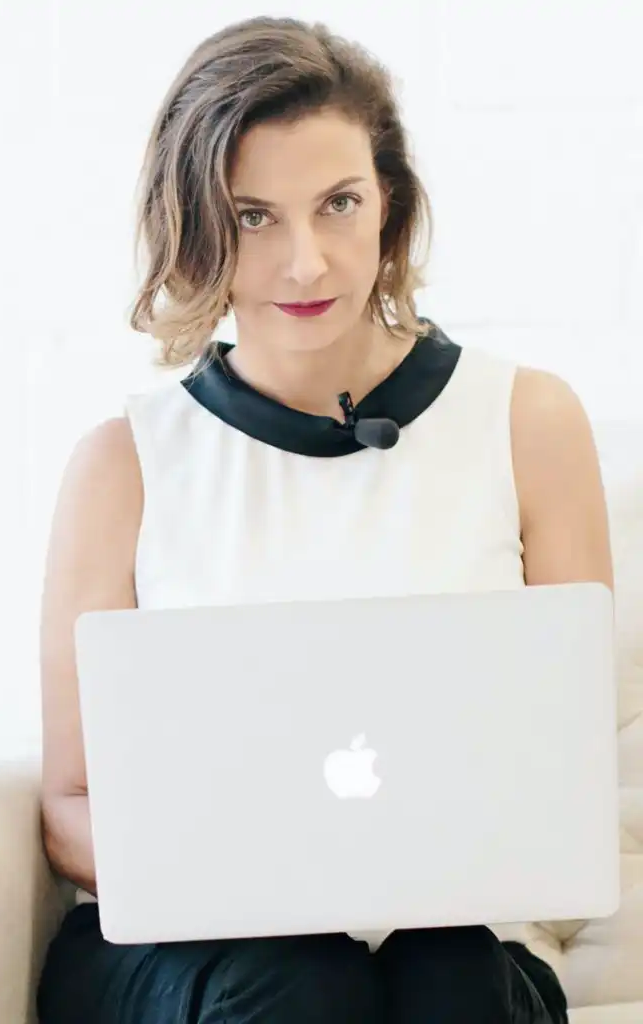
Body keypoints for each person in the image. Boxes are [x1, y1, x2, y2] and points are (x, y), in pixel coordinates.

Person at [36, 15, 613, 1024]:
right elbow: (69, 808)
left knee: (451, 982)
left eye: (337, 203)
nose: (304, 263)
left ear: (389, 204)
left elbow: (563, 770)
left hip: (453, 940)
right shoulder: (123, 466)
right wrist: (265, 873)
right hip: (198, 946)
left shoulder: (526, 421)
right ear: (196, 228)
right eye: (253, 217)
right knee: (299, 980)